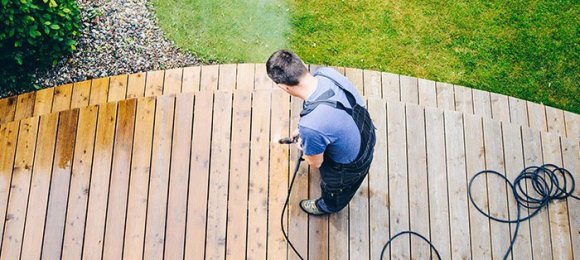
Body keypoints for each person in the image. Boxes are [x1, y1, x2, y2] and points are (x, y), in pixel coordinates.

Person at [266, 50, 376, 215]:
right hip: (366, 133)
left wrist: (308, 139)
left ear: (284, 87)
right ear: (301, 62)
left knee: (335, 190)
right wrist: (309, 131)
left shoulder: (311, 127)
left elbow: (315, 163)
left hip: (351, 166)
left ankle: (327, 206)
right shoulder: (326, 74)